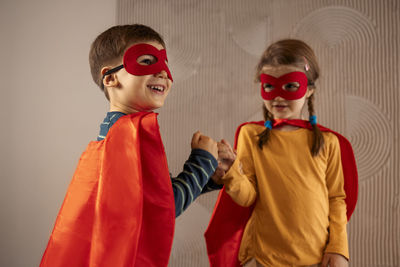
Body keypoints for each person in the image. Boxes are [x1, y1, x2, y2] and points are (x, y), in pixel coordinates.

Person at [40, 24, 233, 267]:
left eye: (164, 64)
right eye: (146, 61)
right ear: (110, 78)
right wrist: (202, 160)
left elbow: (155, 197)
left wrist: (209, 177)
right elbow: (162, 209)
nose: (163, 73)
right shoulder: (126, 136)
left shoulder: (119, 130)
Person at [205, 39, 358, 267]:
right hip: (267, 258)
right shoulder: (251, 135)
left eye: (290, 86)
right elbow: (247, 197)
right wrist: (230, 172)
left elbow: (336, 198)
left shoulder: (328, 142)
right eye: (269, 85)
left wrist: (338, 249)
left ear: (309, 90)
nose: (278, 95)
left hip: (316, 257)